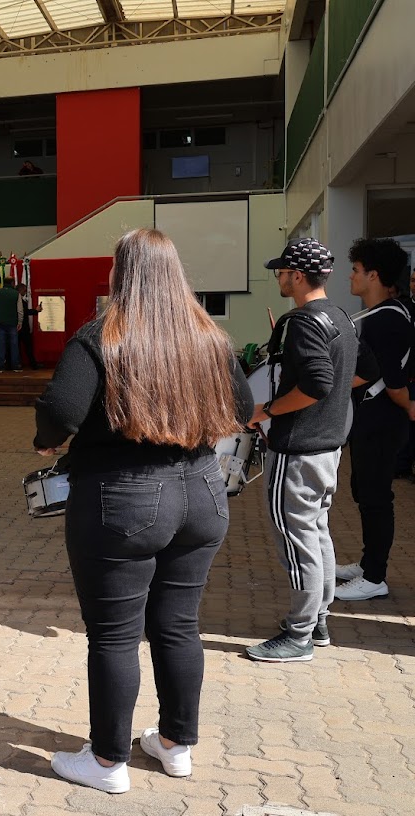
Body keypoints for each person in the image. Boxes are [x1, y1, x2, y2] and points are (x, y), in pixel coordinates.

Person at [34, 229, 252, 793]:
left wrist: (47, 440)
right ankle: (177, 745)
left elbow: (60, 407)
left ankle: (108, 762)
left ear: (121, 273)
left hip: (123, 498)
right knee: (179, 624)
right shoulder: (207, 336)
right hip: (202, 493)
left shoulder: (101, 335)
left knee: (112, 635)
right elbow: (245, 407)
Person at [243, 239, 370, 662]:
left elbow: (316, 384)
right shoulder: (342, 318)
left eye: (281, 271)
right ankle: (317, 622)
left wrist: (267, 410)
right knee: (316, 533)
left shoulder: (303, 322)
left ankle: (299, 637)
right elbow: (361, 373)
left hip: (298, 449)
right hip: (329, 446)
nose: (278, 277)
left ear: (297, 275)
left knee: (297, 541)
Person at [335, 238, 415, 601]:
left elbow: (395, 382)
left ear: (374, 275)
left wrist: (409, 407)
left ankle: (375, 576)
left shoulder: (387, 319)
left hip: (383, 420)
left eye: (355, 270)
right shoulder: (385, 313)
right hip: (374, 417)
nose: (350, 276)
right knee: (366, 491)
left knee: (375, 494)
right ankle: (368, 564)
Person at [0, 282, 23, 372]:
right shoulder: (16, 294)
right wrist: (20, 321)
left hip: (0, 323)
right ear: (12, 284)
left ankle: (0, 366)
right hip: (12, 323)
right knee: (14, 345)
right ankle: (15, 366)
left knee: (1, 344)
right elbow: (20, 309)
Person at [16, 281, 42, 370]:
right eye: (24, 290)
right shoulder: (19, 300)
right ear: (21, 290)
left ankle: (19, 363)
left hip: (17, 327)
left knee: (19, 347)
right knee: (27, 347)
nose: (26, 292)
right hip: (22, 327)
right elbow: (24, 312)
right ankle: (33, 364)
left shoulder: (17, 299)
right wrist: (35, 311)